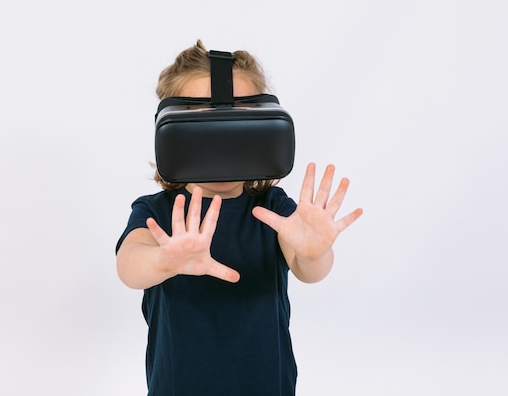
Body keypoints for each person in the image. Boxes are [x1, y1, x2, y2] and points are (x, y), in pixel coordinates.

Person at [115, 40, 363, 396]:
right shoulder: (158, 212)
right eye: (205, 131)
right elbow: (129, 266)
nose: (222, 147)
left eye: (237, 129)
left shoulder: (274, 209)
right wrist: (162, 258)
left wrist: (313, 252)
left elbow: (310, 270)